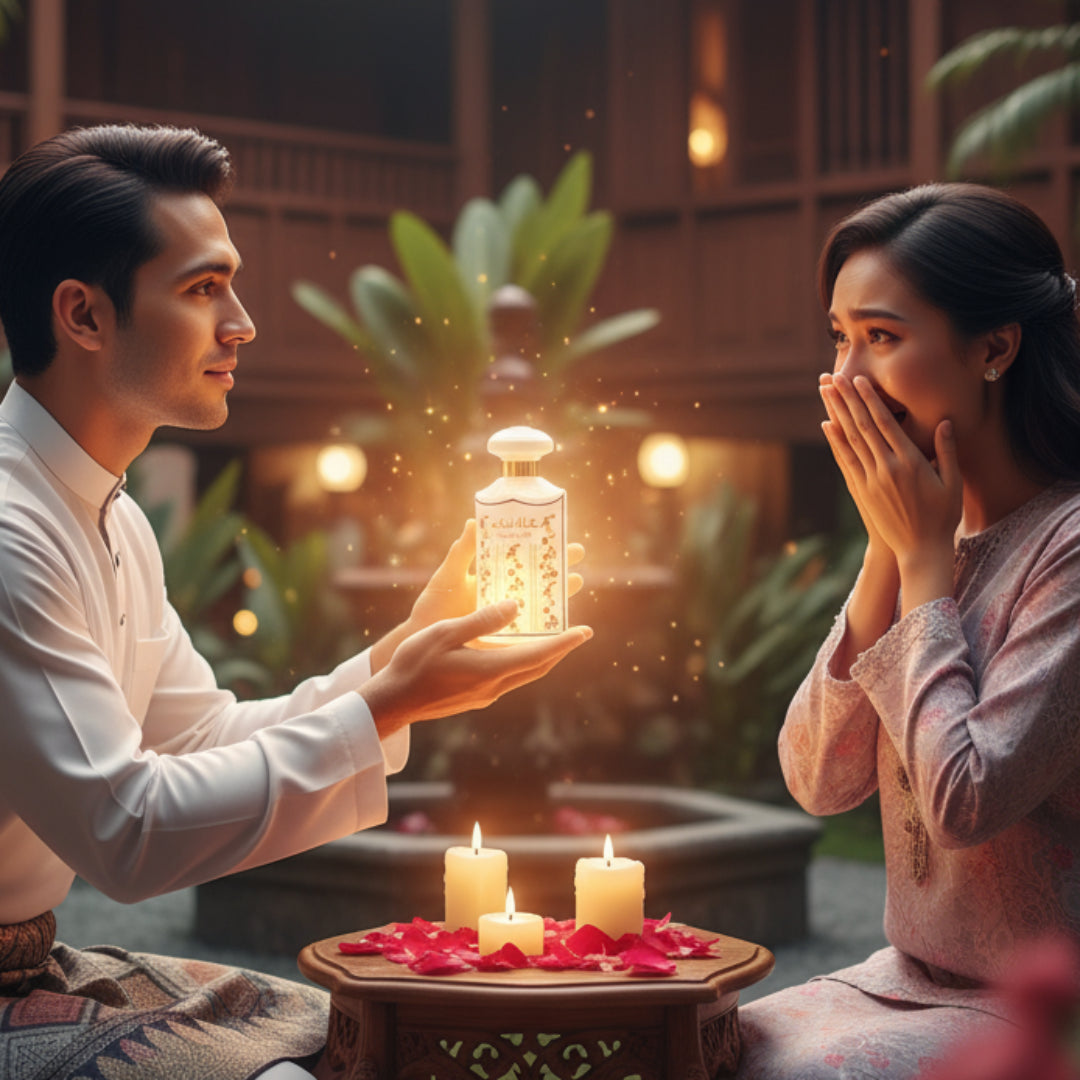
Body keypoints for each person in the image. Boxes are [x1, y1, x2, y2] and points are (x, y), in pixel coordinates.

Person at [0, 124, 591, 1080]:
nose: (242, 322)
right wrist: (388, 704)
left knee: (362, 1031)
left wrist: (401, 665)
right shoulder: (11, 530)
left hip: (32, 962)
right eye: (203, 289)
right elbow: (127, 828)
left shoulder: (110, 517)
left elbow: (197, 740)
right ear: (83, 314)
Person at [736, 183, 1080, 1079]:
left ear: (995, 346)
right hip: (908, 977)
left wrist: (923, 560)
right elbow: (818, 778)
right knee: (687, 1045)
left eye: (881, 337)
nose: (846, 378)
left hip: (1049, 1004)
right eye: (839, 337)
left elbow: (966, 802)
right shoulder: (930, 533)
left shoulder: (1068, 547)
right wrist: (891, 552)